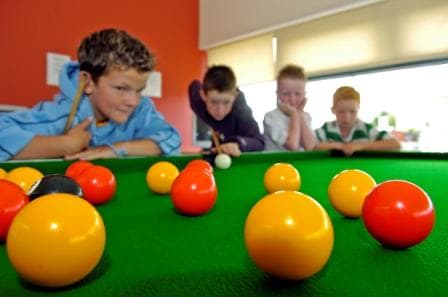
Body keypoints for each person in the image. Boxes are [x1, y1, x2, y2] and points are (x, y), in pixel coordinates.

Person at [0, 29, 181, 161]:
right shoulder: (64, 113)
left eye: (139, 90)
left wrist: (116, 150)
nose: (133, 101)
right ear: (87, 83)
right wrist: (67, 144)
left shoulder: (141, 110)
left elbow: (171, 138)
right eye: (121, 88)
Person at [189, 65, 264, 157]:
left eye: (226, 102)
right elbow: (194, 85)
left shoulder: (241, 112)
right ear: (203, 96)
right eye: (214, 102)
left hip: (237, 151)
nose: (220, 110)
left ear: (235, 96)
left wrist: (238, 144)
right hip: (219, 143)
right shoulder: (198, 101)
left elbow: (259, 142)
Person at [314, 86, 400, 155]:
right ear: (333, 110)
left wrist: (360, 145)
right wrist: (339, 146)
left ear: (358, 109)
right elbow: (312, 145)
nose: (347, 117)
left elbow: (395, 144)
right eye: (341, 112)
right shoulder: (326, 129)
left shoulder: (366, 129)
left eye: (352, 112)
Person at [263, 64, 316, 151]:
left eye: (297, 94)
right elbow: (293, 146)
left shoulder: (305, 116)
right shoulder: (270, 117)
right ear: (278, 94)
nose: (292, 99)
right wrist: (295, 114)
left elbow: (310, 146)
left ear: (304, 95)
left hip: (299, 163)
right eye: (286, 94)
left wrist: (300, 114)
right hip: (277, 163)